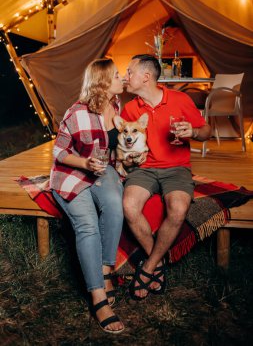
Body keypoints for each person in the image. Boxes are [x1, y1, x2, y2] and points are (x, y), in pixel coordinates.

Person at [121, 54, 211, 300]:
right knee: (129, 206)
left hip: (177, 168)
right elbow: (126, 141)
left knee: (179, 208)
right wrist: (127, 158)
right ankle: (157, 264)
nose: (126, 77)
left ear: (146, 77)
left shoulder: (180, 99)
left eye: (130, 72)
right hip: (144, 168)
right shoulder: (130, 107)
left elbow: (206, 131)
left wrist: (193, 131)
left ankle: (148, 267)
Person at [50, 58, 125, 334]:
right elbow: (58, 152)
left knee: (116, 206)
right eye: (117, 75)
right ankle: (98, 298)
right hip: (72, 173)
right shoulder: (77, 113)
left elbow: (113, 147)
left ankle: (106, 269)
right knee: (88, 225)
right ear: (103, 82)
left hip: (101, 171)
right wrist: (84, 164)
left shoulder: (117, 106)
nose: (122, 79)